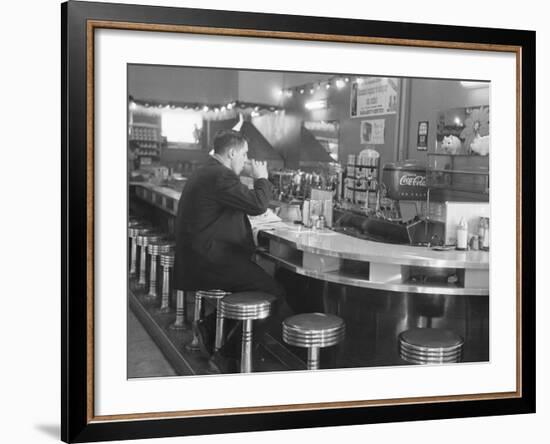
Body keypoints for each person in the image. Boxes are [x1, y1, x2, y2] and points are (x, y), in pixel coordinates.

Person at [173, 129, 290, 372]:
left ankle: (209, 326)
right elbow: (258, 204)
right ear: (232, 152)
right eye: (245, 154)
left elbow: (236, 205)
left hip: (199, 255)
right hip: (210, 259)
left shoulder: (207, 171)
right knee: (274, 291)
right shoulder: (220, 176)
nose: (246, 160)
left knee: (256, 283)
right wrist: (261, 178)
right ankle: (227, 354)